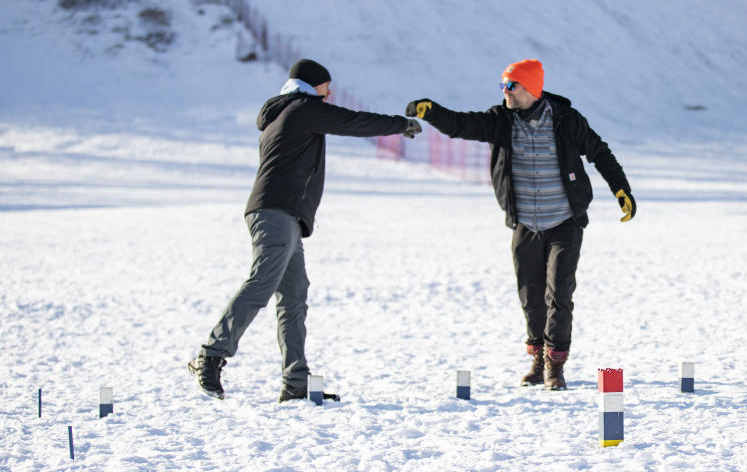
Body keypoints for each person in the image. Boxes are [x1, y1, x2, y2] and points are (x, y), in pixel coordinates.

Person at [187, 58, 422, 402]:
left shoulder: (286, 111)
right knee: (262, 283)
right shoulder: (301, 109)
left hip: (285, 214)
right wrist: (400, 124)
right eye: (327, 86)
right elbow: (353, 121)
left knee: (294, 296)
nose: (331, 92)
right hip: (276, 212)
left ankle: (296, 381)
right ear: (313, 86)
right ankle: (210, 355)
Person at [406, 59, 635, 390]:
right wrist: (432, 112)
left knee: (559, 293)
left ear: (531, 88)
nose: (506, 92)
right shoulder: (500, 121)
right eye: (502, 86)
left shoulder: (566, 120)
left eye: (511, 86)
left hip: (564, 222)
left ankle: (555, 366)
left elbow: (599, 153)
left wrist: (621, 189)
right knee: (530, 294)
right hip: (525, 223)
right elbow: (460, 125)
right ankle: (538, 357)